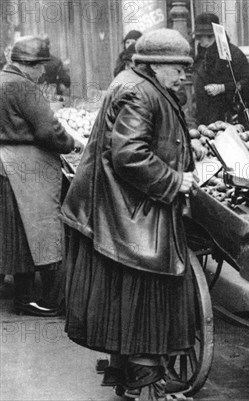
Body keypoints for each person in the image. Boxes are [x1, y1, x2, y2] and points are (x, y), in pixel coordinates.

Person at [61, 29, 199, 399]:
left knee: (127, 295)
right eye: (179, 68)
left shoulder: (137, 83)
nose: (184, 75)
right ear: (155, 64)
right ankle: (147, 383)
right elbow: (129, 156)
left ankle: (129, 374)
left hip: (119, 206)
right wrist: (175, 181)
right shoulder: (139, 91)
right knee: (145, 292)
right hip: (128, 211)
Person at [0, 36, 77, 316]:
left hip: (5, 163)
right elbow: (47, 130)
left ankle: (23, 295)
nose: (44, 72)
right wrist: (71, 144)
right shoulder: (23, 87)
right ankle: (38, 299)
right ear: (29, 66)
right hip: (27, 166)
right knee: (41, 230)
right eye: (40, 66)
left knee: (17, 232)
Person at [192, 13, 249, 130]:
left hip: (231, 114)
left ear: (212, 35)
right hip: (207, 115)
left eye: (201, 36)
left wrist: (222, 87)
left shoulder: (233, 54)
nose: (199, 40)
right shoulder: (201, 55)